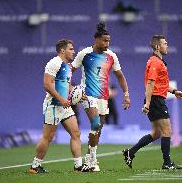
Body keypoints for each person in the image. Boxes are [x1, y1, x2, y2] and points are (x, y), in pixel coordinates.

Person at [71, 22, 130, 172]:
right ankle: (92, 159)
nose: (107, 43)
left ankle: (91, 158)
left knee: (98, 129)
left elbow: (120, 76)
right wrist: (71, 88)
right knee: (96, 123)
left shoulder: (111, 56)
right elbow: (69, 70)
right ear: (96, 40)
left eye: (109, 41)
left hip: (104, 97)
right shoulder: (84, 53)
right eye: (104, 40)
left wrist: (126, 94)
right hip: (88, 94)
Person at [28, 39, 92, 174]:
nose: (73, 51)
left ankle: (78, 166)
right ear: (63, 50)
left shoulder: (68, 67)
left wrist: (79, 94)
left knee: (76, 133)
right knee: (48, 137)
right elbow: (47, 84)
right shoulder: (54, 63)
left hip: (65, 106)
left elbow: (67, 86)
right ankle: (35, 167)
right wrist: (61, 99)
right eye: (71, 49)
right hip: (53, 105)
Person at [122, 35, 182, 170]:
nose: (167, 46)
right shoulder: (155, 62)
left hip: (156, 99)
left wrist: (174, 91)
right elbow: (150, 83)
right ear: (157, 46)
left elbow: (160, 84)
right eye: (165, 43)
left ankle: (130, 152)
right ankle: (167, 163)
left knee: (156, 133)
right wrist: (147, 103)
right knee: (167, 130)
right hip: (156, 100)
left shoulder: (158, 61)